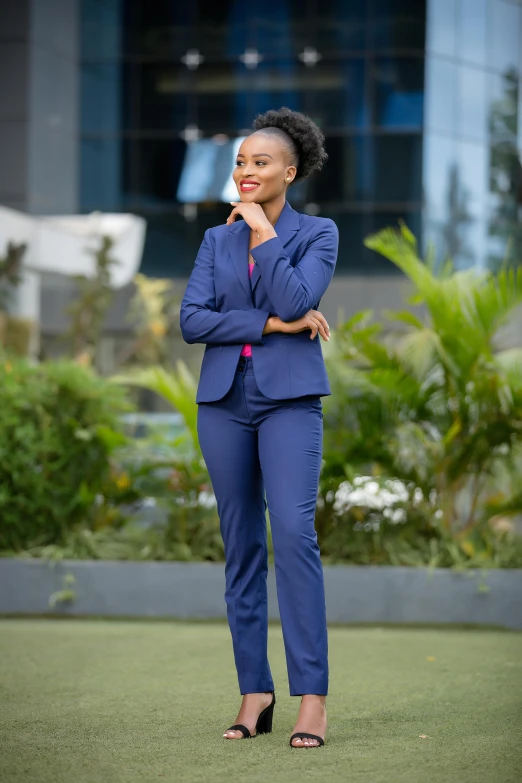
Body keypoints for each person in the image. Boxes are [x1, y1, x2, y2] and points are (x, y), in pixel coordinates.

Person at [179, 107, 338, 748]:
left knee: (295, 535)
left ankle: (313, 700)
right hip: (222, 402)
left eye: (260, 162)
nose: (246, 171)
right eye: (241, 161)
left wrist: (261, 231)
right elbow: (194, 320)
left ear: (289, 171)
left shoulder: (317, 233)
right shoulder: (213, 241)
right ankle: (255, 691)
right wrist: (271, 326)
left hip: (290, 403)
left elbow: (300, 299)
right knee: (241, 545)